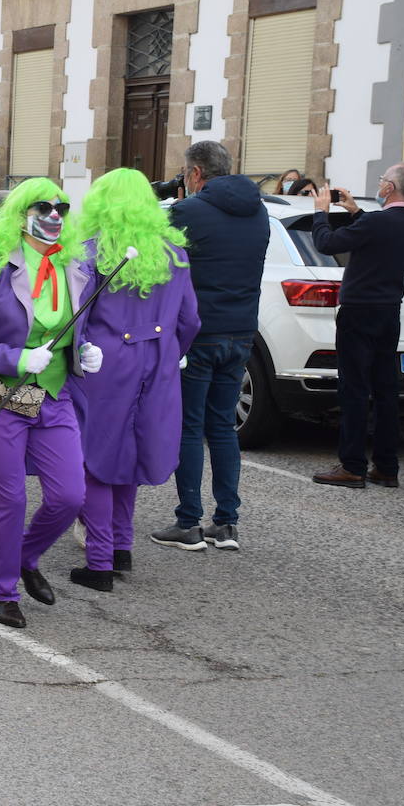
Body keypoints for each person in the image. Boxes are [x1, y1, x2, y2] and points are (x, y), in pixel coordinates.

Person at [0, 177, 100, 629]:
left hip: (53, 398)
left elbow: (75, 329)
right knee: (9, 501)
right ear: (22, 213)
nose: (53, 215)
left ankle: (27, 555)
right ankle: (5, 591)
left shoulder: (76, 268)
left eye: (62, 208)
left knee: (70, 495)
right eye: (43, 206)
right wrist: (17, 357)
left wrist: (85, 353)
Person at [69, 169, 200, 587]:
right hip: (157, 362)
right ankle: (121, 548)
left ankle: (100, 561)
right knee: (128, 456)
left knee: (95, 460)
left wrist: (74, 356)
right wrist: (169, 356)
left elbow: (77, 317)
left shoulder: (90, 251)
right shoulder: (174, 253)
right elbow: (191, 320)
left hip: (104, 363)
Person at [151, 141, 270, 552]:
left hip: (199, 334)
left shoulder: (189, 212)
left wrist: (163, 195)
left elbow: (148, 240)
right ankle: (227, 523)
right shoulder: (260, 212)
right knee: (222, 427)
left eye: (185, 174)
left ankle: (188, 523)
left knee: (189, 426)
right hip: (241, 333)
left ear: (196, 174)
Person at [310, 164, 404, 489]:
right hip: (390, 310)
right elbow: (378, 235)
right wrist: (356, 210)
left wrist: (321, 213)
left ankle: (352, 466)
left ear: (389, 188)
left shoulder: (378, 221)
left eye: (382, 180)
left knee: (355, 388)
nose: (379, 184)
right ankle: (387, 466)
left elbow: (327, 243)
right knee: (386, 389)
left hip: (359, 310)